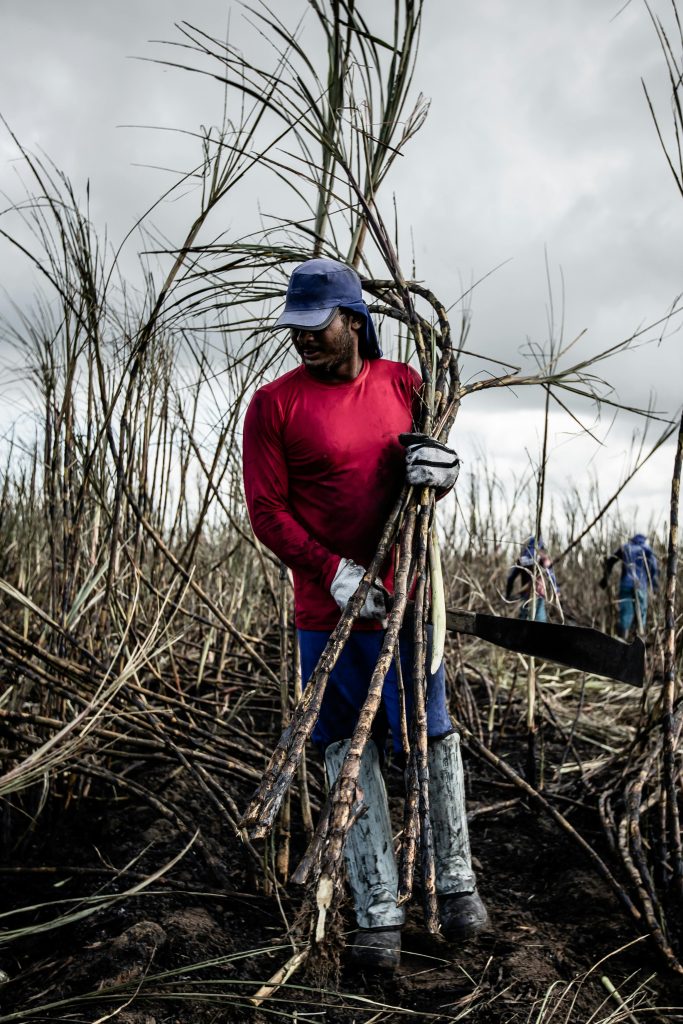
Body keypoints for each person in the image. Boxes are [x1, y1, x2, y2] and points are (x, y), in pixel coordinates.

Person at [242, 257, 487, 971]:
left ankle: (458, 887)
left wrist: (443, 475)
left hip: (409, 600)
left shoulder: (405, 384)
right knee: (344, 749)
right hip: (326, 614)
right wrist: (335, 573)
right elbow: (266, 512)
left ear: (355, 320)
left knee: (433, 735)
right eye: (295, 328)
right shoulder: (272, 405)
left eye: (317, 327)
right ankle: (377, 912)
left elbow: (426, 478)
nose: (303, 340)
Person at [599, 533, 659, 639]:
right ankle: (638, 644)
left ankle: (623, 642)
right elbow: (654, 567)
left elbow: (611, 561)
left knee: (625, 616)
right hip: (641, 586)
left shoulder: (626, 547)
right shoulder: (647, 549)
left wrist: (605, 579)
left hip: (626, 585)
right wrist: (654, 586)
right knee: (641, 615)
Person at [505, 535, 558, 622]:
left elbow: (510, 578)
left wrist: (507, 595)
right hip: (537, 595)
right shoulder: (543, 559)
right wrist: (556, 590)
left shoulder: (522, 560)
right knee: (540, 623)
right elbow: (551, 576)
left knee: (524, 622)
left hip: (526, 596)